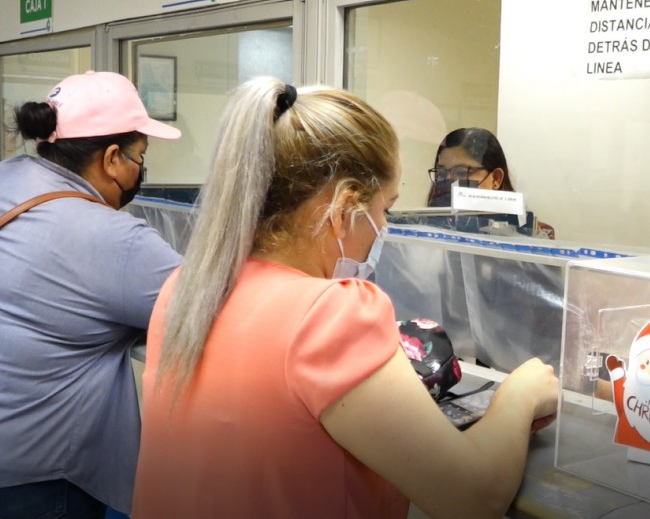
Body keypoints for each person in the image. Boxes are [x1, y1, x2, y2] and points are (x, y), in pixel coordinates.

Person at [132, 77, 559, 518]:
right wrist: (519, 396)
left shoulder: (188, 286)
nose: (384, 227)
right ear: (343, 210)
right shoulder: (332, 313)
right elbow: (473, 498)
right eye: (385, 209)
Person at [0, 71, 182, 518]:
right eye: (141, 157)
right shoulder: (114, 239)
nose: (141, 169)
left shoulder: (8, 177)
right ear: (113, 158)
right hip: (42, 478)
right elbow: (215, 311)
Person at [426, 127, 556, 239]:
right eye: (442, 173)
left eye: (462, 172)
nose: (450, 183)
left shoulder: (535, 234)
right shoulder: (426, 228)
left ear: (496, 179)